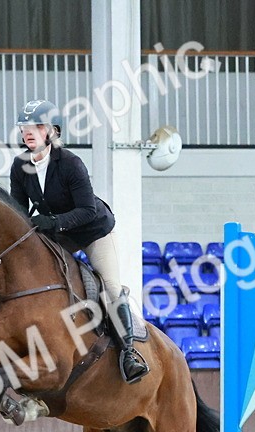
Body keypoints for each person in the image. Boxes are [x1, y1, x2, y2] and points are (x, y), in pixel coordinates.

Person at [8, 99, 149, 384]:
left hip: (94, 230)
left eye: (36, 126)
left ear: (52, 131)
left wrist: (54, 223)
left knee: (110, 286)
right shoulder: (20, 165)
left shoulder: (71, 163)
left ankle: (129, 353)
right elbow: (18, 210)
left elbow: (87, 210)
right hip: (60, 232)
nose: (28, 132)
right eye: (24, 127)